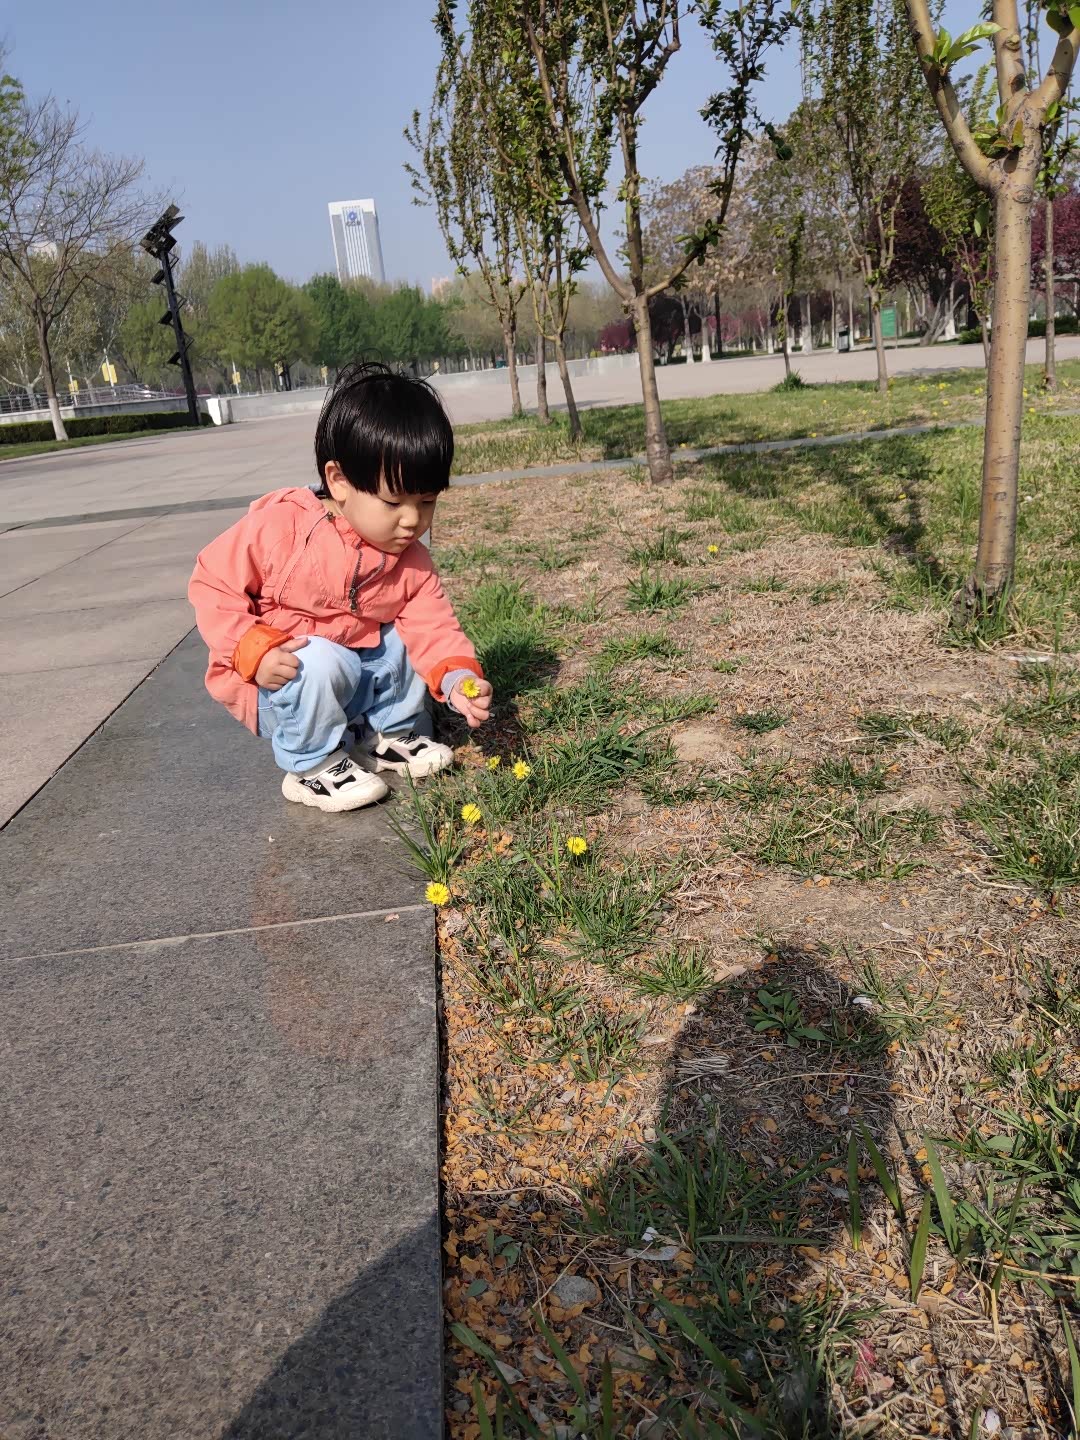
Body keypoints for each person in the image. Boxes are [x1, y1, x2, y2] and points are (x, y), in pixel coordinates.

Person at [188, 362, 492, 813]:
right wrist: (252, 649)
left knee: (404, 635)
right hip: (279, 682)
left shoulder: (409, 560)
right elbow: (212, 581)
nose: (412, 520)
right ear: (339, 481)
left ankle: (388, 735)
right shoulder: (282, 529)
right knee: (317, 659)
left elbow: (435, 628)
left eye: (427, 501)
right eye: (394, 501)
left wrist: (457, 677)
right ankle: (311, 765)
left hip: (351, 684)